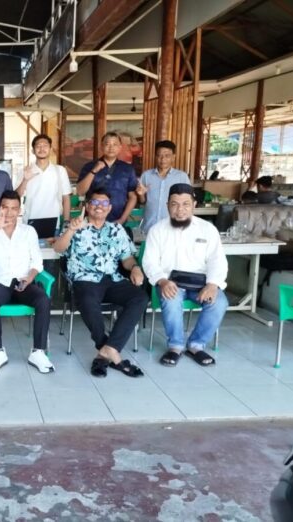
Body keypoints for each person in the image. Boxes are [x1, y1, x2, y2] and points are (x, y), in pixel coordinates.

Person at [54, 188, 148, 378]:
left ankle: (106, 351)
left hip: (112, 279)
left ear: (109, 207)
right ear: (87, 206)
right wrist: (71, 230)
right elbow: (58, 248)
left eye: (104, 203)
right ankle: (111, 351)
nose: (99, 206)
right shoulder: (75, 226)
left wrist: (135, 268)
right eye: (95, 202)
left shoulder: (117, 230)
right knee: (88, 301)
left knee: (139, 298)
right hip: (85, 279)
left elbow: (127, 258)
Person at [142, 183, 228, 368]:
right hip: (169, 282)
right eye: (174, 204)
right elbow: (149, 262)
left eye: (185, 204)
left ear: (194, 205)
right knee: (171, 299)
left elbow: (217, 260)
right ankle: (175, 346)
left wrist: (213, 284)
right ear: (167, 205)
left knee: (219, 302)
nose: (180, 210)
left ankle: (196, 345)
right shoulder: (157, 230)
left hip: (201, 283)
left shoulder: (207, 229)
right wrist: (162, 281)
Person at [0, 190, 53, 374]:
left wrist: (30, 278)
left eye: (14, 208)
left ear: (19, 210)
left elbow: (37, 261)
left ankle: (38, 352)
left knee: (43, 300)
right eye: (5, 207)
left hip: (23, 281)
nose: (9, 212)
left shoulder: (28, 231)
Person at [76, 132, 137, 224]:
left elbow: (132, 197)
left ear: (120, 147)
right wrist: (93, 171)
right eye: (107, 144)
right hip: (92, 219)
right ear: (101, 146)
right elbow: (80, 192)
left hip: (118, 219)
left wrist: (122, 219)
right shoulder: (89, 166)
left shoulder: (127, 169)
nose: (111, 148)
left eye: (115, 144)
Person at [16, 134, 71, 228]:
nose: (42, 149)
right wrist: (25, 180)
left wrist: (66, 221)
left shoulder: (60, 170)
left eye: (45, 146)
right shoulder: (25, 170)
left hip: (54, 222)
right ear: (33, 150)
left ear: (50, 149)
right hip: (30, 223)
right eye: (38, 146)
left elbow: (66, 198)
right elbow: (16, 196)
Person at [135, 140, 190, 231]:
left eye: (167, 156)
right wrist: (141, 195)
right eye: (159, 155)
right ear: (155, 156)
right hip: (150, 227)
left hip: (173, 227)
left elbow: (187, 202)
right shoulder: (146, 175)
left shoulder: (182, 177)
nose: (163, 159)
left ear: (173, 157)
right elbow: (143, 202)